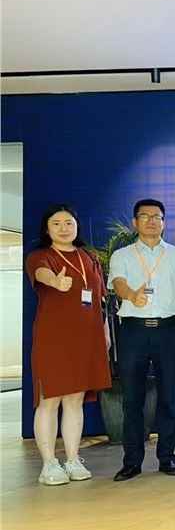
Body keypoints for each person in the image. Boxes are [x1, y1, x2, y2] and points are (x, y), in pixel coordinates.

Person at [109, 198, 175, 481]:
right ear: (135, 222)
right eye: (145, 216)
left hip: (168, 330)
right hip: (133, 331)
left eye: (157, 216)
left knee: (169, 397)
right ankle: (132, 461)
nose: (151, 221)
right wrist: (131, 295)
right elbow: (118, 282)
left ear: (164, 222)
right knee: (131, 399)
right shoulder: (122, 255)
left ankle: (167, 458)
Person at [25, 204, 111, 485]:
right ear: (46, 228)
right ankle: (49, 464)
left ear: (77, 226)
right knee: (49, 400)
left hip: (87, 338)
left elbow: (99, 299)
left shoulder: (89, 257)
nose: (64, 228)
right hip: (54, 339)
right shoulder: (40, 256)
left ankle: (73, 459)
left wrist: (105, 331)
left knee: (75, 400)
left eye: (69, 223)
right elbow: (41, 274)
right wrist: (55, 281)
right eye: (56, 223)